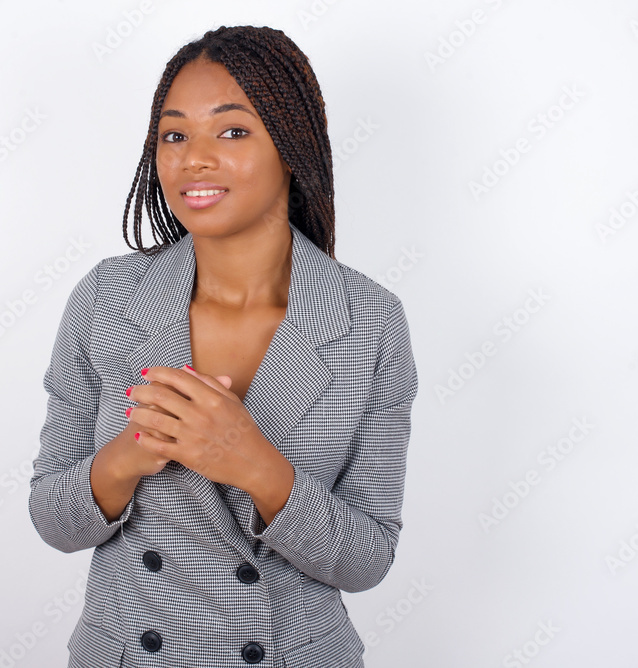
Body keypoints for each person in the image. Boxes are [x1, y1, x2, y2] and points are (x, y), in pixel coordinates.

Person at [28, 25, 419, 668]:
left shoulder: (368, 320)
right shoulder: (107, 297)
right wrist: (127, 457)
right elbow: (52, 518)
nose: (194, 160)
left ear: (291, 147)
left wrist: (251, 463)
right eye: (174, 136)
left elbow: (368, 557)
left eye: (232, 131)